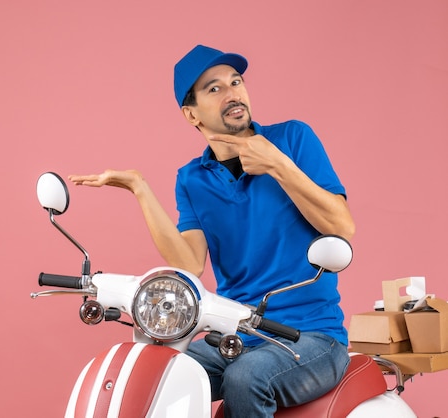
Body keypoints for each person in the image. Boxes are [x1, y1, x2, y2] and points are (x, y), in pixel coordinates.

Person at [69, 44, 355, 417]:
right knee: (150, 369)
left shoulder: (292, 140)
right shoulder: (192, 179)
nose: (233, 92)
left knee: (246, 378)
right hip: (235, 333)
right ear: (192, 114)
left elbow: (341, 226)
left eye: (236, 82)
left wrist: (276, 164)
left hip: (311, 338)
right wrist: (140, 188)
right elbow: (189, 263)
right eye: (214, 88)